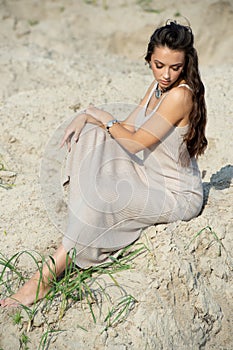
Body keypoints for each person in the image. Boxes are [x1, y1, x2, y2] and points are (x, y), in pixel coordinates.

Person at [0, 20, 207, 307]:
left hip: (175, 193)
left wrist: (97, 112)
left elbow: (134, 142)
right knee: (92, 135)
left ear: (186, 64)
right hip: (145, 170)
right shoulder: (156, 87)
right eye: (159, 65)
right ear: (149, 58)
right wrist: (88, 117)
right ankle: (81, 222)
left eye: (175, 67)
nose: (166, 74)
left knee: (105, 196)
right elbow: (128, 127)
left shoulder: (180, 96)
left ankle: (42, 279)